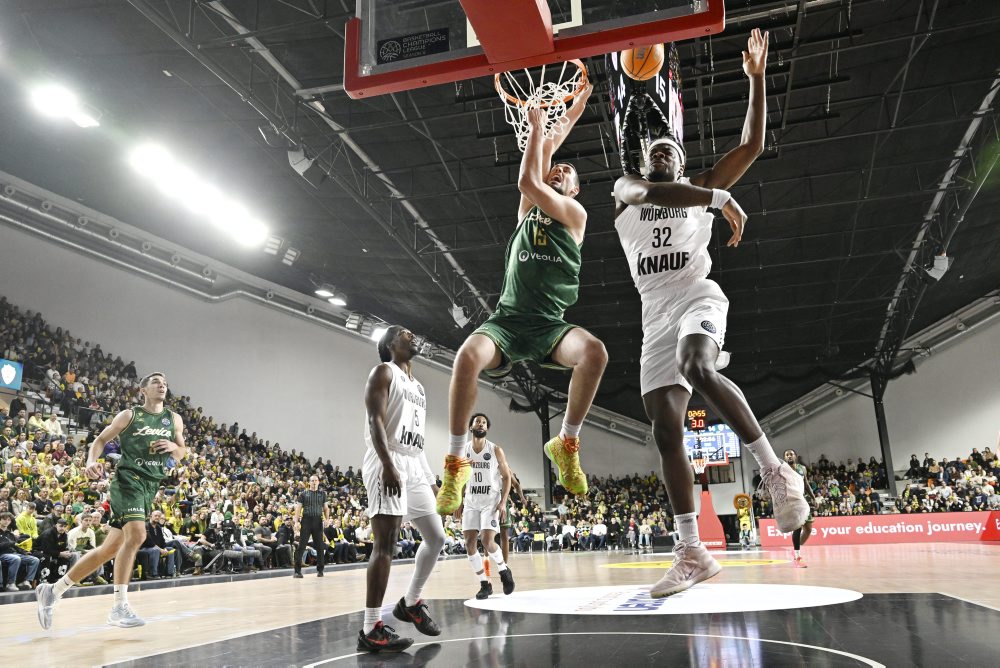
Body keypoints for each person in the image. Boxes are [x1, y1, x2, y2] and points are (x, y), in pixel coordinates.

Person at [611, 28, 808, 598]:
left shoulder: (698, 184)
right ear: (644, 160)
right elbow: (649, 195)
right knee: (667, 431)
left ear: (685, 158)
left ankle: (776, 472)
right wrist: (718, 200)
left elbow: (751, 146)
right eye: (656, 151)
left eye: (672, 150)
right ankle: (690, 551)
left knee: (698, 367)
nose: (664, 154)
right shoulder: (629, 190)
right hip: (654, 317)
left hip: (698, 297)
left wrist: (756, 81)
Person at [436, 83, 608, 515]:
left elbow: (529, 175)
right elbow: (541, 160)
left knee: (594, 353)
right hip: (508, 320)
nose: (558, 170)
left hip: (550, 323)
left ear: (574, 190)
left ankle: (567, 442)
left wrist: (534, 125)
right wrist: (572, 111)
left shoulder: (575, 215)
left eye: (567, 172)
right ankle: (456, 461)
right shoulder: (525, 212)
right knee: (466, 357)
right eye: (556, 168)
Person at [35, 371, 187, 628]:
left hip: (150, 486)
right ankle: (119, 607)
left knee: (109, 550)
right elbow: (101, 439)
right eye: (156, 382)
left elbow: (182, 452)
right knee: (137, 535)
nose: (162, 385)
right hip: (128, 482)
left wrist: (175, 448)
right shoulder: (129, 415)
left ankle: (53, 591)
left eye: (165, 383)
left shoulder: (174, 419)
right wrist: (91, 461)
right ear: (143, 390)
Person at [359, 325, 445, 652]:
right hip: (388, 459)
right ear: (391, 343)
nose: (413, 335)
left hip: (412, 462)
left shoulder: (419, 388)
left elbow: (419, 444)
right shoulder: (383, 372)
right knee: (386, 545)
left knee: (436, 537)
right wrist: (387, 464)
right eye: (406, 333)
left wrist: (432, 481)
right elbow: (375, 421)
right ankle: (371, 628)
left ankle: (410, 603)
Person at [455, 413, 515, 600]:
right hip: (471, 502)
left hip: (490, 501)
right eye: (477, 422)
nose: (480, 424)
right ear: (470, 427)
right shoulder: (463, 450)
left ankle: (504, 571)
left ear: (486, 428)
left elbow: (507, 478)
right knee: (469, 544)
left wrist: (503, 502)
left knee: (487, 541)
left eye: (483, 422)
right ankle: (484, 583)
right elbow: (460, 478)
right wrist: (459, 500)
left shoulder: (496, 450)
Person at [784, 449, 818, 567]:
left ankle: (795, 550)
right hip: (791, 501)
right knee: (797, 527)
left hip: (802, 500)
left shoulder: (802, 468)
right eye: (787, 455)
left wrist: (813, 497)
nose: (789, 456)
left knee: (808, 529)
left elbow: (806, 484)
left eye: (791, 454)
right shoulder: (783, 469)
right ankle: (797, 556)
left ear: (795, 456)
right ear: (784, 458)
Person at [292, 475, 329, 578]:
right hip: (306, 520)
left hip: (318, 520)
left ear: (318, 482)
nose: (314, 482)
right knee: (302, 546)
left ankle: (320, 570)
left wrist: (327, 519)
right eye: (312, 480)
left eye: (315, 480)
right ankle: (297, 571)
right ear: (309, 482)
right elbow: (298, 509)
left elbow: (326, 508)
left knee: (320, 546)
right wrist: (296, 522)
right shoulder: (303, 494)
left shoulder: (323, 494)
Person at [1, 511, 40, 590]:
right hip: (2, 554)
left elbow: (16, 546)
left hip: (13, 553)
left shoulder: (10, 534)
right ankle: (10, 583)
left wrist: (23, 552)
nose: (6, 521)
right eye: (4, 519)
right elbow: (9, 544)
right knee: (16, 558)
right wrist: (10, 544)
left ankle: (26, 581)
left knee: (34, 560)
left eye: (8, 520)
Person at [499, 469, 525, 564]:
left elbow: (517, 485)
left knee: (504, 535)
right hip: (488, 504)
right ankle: (486, 559)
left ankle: (504, 565)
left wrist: (522, 497)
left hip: (503, 504)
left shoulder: (506, 470)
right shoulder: (487, 465)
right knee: (487, 536)